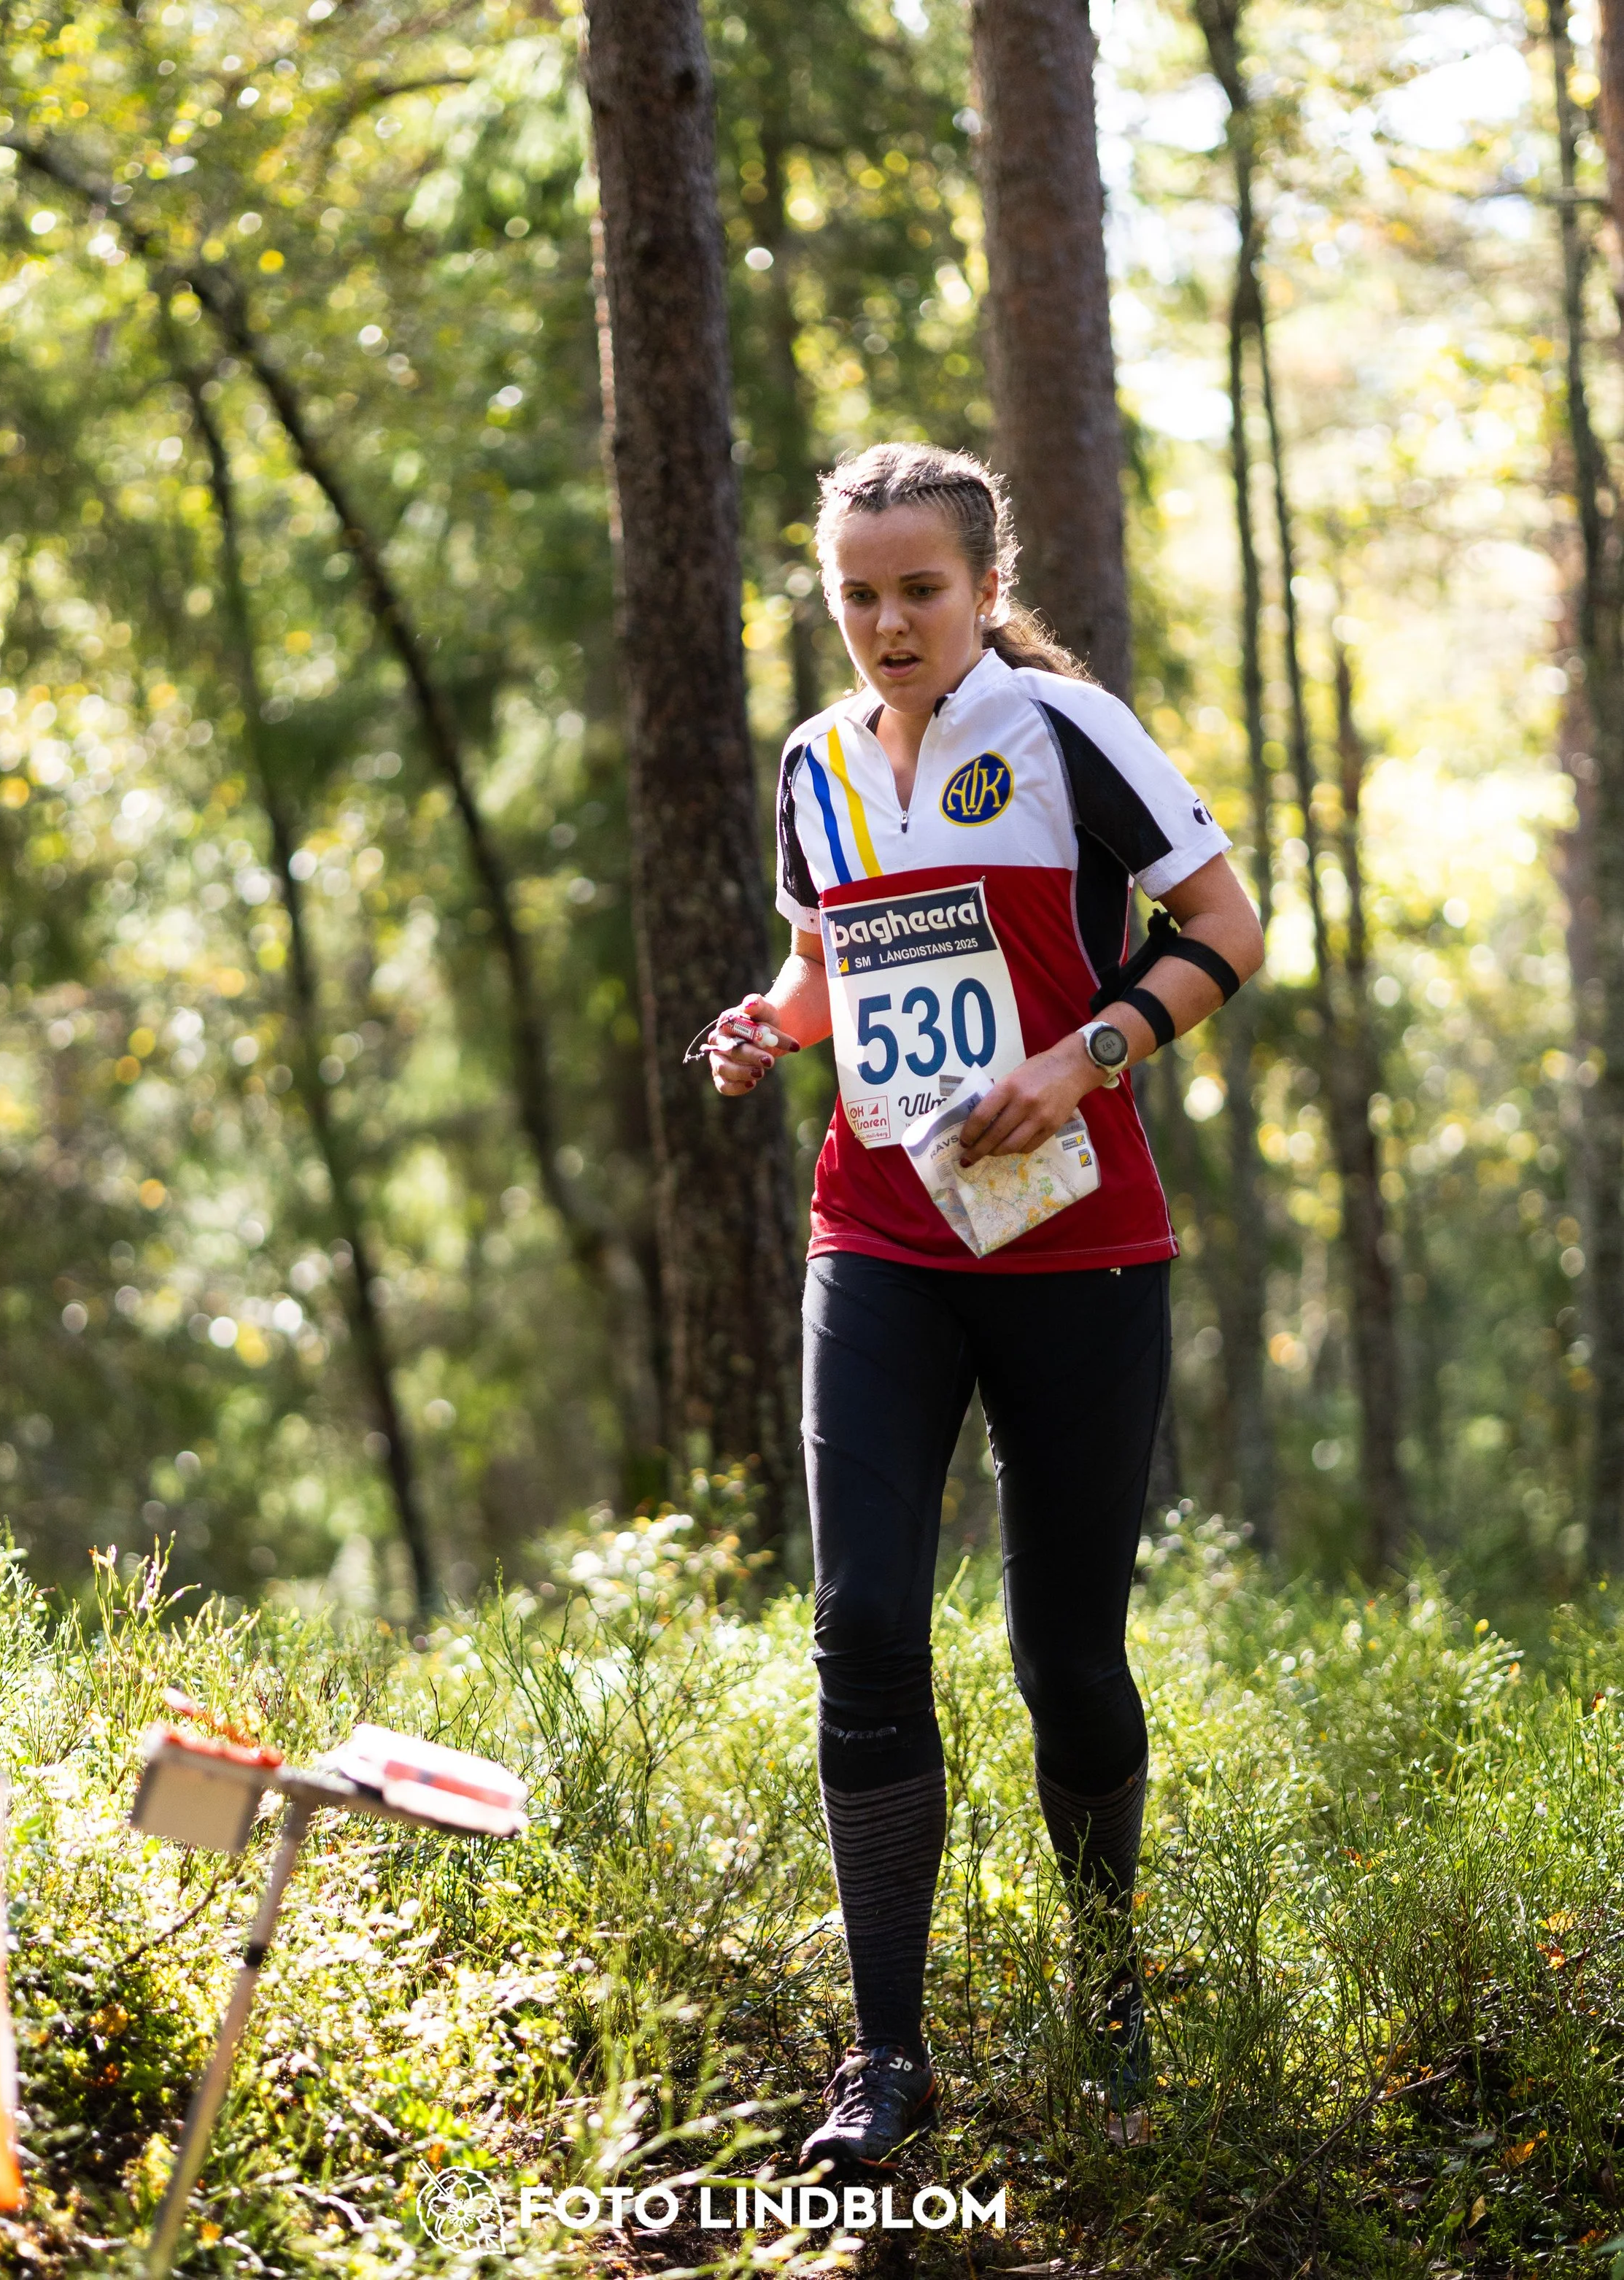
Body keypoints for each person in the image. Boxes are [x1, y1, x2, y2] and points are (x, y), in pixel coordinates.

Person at [702, 441, 1264, 2169]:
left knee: (1063, 1660)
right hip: (875, 1237)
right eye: (856, 593)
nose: (885, 623)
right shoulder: (811, 761)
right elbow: (825, 969)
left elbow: (1225, 923)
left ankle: (1109, 2012)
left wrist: (1088, 1050)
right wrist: (765, 1025)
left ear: (981, 585)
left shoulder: (1064, 735)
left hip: (1075, 1247)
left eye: (918, 589)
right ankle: (885, 2058)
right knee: (863, 1620)